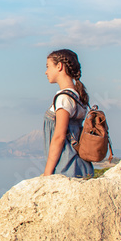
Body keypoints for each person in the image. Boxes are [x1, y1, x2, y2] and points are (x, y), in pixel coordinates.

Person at [43, 49, 94, 178]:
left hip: (66, 167)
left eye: (48, 66)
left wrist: (47, 174)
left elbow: (59, 137)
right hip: (82, 165)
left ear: (59, 66)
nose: (46, 72)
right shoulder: (79, 97)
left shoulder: (63, 99)